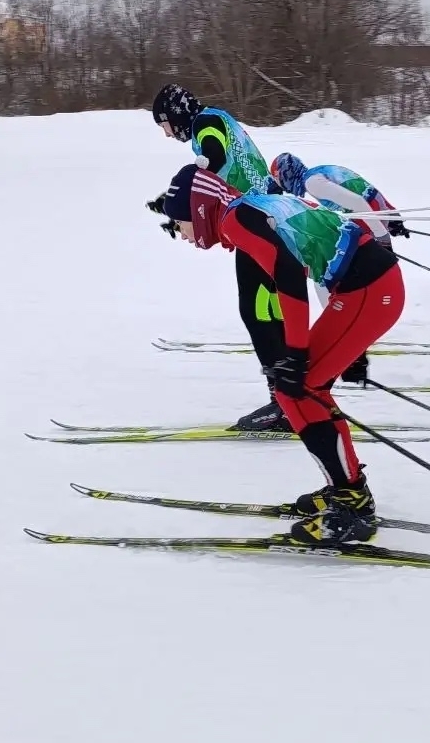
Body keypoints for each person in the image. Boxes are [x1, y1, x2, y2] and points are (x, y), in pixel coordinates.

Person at [161, 162, 406, 545]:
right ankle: (345, 489)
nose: (182, 234)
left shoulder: (236, 221)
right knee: (300, 390)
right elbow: (323, 242)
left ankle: (353, 502)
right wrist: (345, 347)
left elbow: (288, 274)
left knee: (299, 389)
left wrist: (295, 351)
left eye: (180, 223)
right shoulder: (248, 209)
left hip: (370, 290)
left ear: (198, 208)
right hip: (365, 287)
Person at [147, 84, 286, 431]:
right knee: (267, 306)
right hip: (268, 214)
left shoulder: (205, 124)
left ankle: (285, 402)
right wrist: (179, 205)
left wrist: (184, 194)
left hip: (259, 219)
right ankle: (289, 394)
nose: (167, 134)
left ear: (176, 115)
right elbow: (217, 174)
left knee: (256, 309)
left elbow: (215, 158)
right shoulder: (214, 118)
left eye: (165, 125)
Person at [270, 152, 410, 384]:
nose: (283, 187)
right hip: (374, 216)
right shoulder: (319, 171)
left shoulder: (312, 183)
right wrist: (391, 216)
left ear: (286, 174)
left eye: (279, 180)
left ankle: (344, 337)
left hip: (368, 223)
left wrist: (383, 237)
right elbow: (366, 190)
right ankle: (348, 339)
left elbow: (357, 203)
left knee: (322, 278)